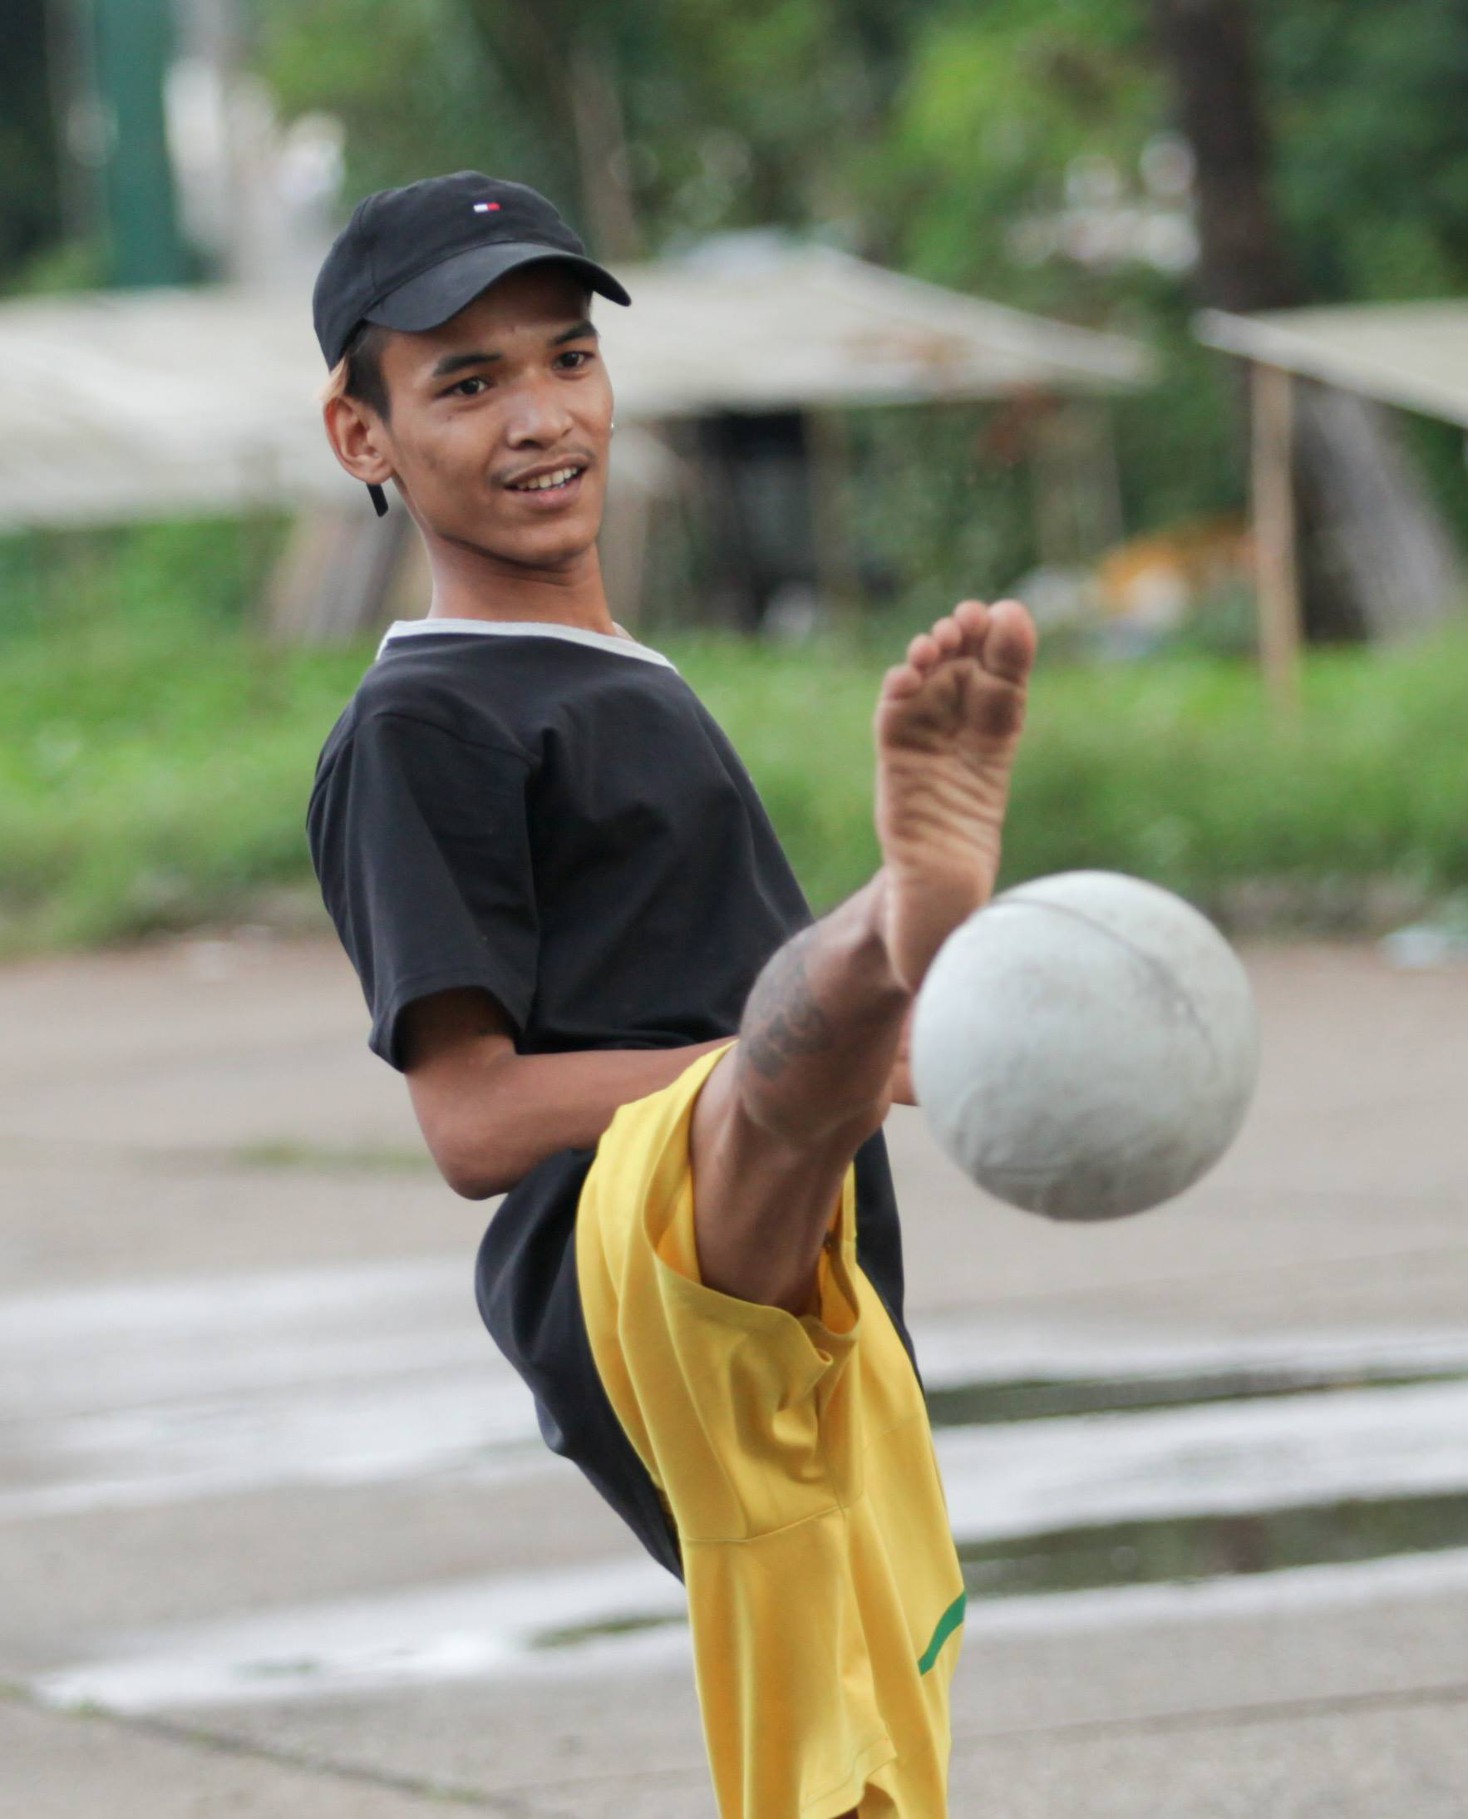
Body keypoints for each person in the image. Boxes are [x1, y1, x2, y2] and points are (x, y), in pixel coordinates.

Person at [304, 172, 1035, 1819]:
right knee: (779, 1072)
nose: (539, 415)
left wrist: (842, 1062)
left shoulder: (611, 680)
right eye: (467, 383)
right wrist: (816, 1051)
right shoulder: (424, 726)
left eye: (566, 358)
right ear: (364, 436)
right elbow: (475, 1118)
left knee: (863, 1743)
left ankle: (864, 973)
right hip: (634, 1263)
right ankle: (878, 944)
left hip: (800, 1261)